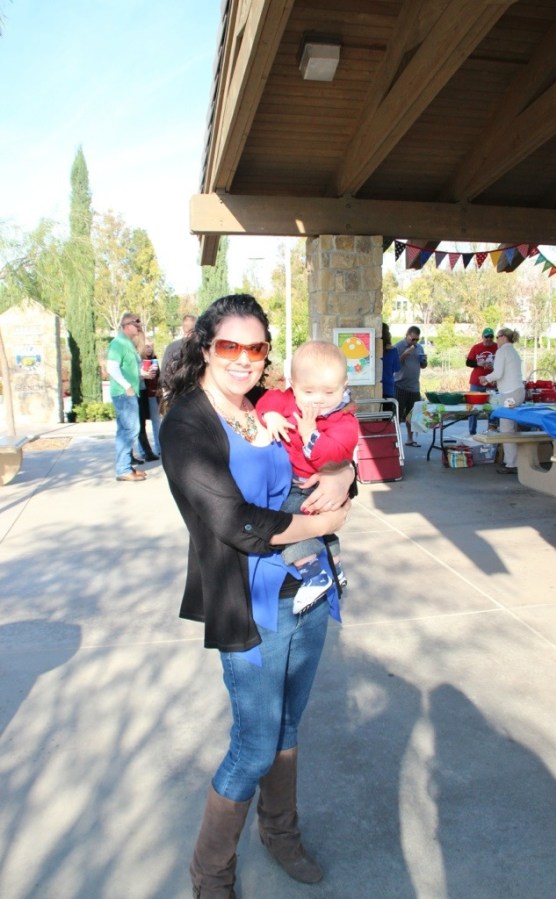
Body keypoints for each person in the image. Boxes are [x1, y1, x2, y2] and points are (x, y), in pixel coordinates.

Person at [159, 295, 354, 898]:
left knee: (288, 726)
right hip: (248, 604)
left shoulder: (272, 404)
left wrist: (344, 476)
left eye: (256, 347)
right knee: (253, 745)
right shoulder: (187, 424)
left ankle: (280, 834)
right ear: (205, 348)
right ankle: (211, 873)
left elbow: (329, 458)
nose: (244, 358)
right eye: (229, 346)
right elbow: (234, 522)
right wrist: (325, 523)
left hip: (307, 592)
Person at [256, 340, 359, 608]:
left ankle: (314, 574)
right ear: (293, 384)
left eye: (329, 391)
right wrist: (271, 415)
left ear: (344, 385)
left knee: (290, 522)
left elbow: (335, 456)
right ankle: (336, 567)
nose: (318, 399)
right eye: (308, 391)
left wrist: (310, 433)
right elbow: (268, 400)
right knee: (322, 531)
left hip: (310, 486)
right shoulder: (288, 399)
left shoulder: (344, 419)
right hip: (294, 480)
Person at [106, 312, 147, 482]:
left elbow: (128, 368)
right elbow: (111, 368)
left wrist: (142, 375)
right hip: (124, 394)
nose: (138, 329)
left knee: (125, 430)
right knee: (130, 429)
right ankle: (123, 470)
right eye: (136, 326)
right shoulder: (118, 344)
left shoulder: (126, 343)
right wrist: (127, 386)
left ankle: (126, 467)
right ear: (128, 326)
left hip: (128, 392)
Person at [480, 327, 525, 475]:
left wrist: (485, 378)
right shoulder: (513, 352)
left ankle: (512, 463)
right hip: (518, 392)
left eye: (497, 337)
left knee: (506, 429)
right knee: (512, 427)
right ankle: (513, 460)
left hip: (509, 395)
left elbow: (498, 373)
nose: (496, 340)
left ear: (503, 337)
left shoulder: (502, 351)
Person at [393, 325, 428, 447]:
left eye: (417, 339)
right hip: (400, 385)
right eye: (413, 339)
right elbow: (394, 364)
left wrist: (424, 362)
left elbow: (423, 366)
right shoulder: (398, 346)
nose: (415, 342)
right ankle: (394, 440)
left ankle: (410, 439)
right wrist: (404, 354)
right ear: (407, 335)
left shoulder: (419, 348)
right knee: (397, 415)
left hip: (414, 386)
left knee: (412, 415)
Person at [465, 327, 497, 435]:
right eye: (486, 336)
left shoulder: (497, 347)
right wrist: (478, 363)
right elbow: (468, 362)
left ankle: (491, 431)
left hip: (491, 382)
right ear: (482, 337)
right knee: (473, 407)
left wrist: (494, 366)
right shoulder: (476, 347)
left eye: (491, 336)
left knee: (492, 407)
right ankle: (472, 432)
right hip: (476, 382)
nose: (488, 339)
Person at [136, 342, 161, 461]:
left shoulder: (154, 360)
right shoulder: (138, 360)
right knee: (141, 424)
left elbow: (159, 377)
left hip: (152, 394)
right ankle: (143, 451)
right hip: (141, 394)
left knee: (156, 421)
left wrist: (160, 388)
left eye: (151, 346)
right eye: (147, 346)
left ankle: (159, 448)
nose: (149, 349)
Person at [160, 313, 196, 391]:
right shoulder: (200, 347)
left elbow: (164, 374)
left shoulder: (171, 347)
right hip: (195, 390)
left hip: (175, 390)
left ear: (183, 328)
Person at [381, 323, 400, 416]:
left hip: (374, 387)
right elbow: (397, 368)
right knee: (387, 419)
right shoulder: (393, 350)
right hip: (388, 388)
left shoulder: (372, 348)